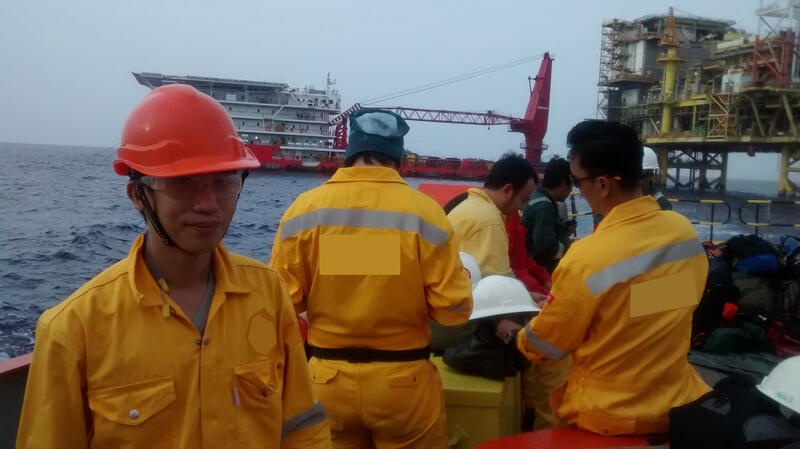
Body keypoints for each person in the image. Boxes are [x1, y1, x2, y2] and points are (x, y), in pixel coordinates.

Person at [16, 85, 330, 448]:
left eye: (224, 181)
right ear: (138, 195)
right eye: (185, 184)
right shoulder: (74, 329)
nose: (208, 204)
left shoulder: (270, 294)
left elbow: (304, 428)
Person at [269, 108, 472, 449]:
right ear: (400, 160)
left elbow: (281, 302)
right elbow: (453, 310)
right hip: (403, 385)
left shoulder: (304, 210)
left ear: (350, 154)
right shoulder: (426, 214)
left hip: (325, 380)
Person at [517, 119, 711, 436]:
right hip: (677, 406)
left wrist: (520, 333)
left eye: (578, 182)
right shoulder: (683, 233)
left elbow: (546, 347)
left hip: (607, 417)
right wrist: (608, 313)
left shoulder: (585, 259)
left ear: (604, 185)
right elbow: (664, 300)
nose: (577, 190)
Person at [521, 157, 575, 273]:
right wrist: (571, 248)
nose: (571, 190)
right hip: (539, 269)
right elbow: (546, 249)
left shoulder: (537, 196)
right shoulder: (545, 207)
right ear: (564, 184)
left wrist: (562, 230)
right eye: (571, 186)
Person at [593, 146, 671, 225]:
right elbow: (599, 219)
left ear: (651, 175)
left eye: (640, 175)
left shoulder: (661, 203)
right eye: (631, 175)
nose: (634, 180)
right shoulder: (621, 196)